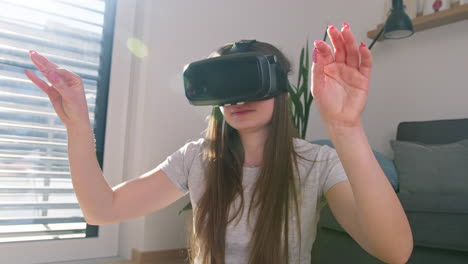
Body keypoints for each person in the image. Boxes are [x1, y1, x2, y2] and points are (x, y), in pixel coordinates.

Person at [24, 22, 413, 264]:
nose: (238, 99)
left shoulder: (315, 163)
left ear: (279, 90)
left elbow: (394, 252)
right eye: (226, 88)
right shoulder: (196, 159)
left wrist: (345, 126)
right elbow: (101, 210)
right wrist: (77, 126)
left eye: (249, 82)